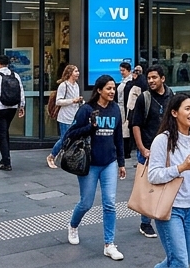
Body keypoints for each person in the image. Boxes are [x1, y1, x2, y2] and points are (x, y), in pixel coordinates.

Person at [48, 74, 127, 261]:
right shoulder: (86, 109)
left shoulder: (115, 109)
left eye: (113, 88)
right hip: (89, 163)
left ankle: (109, 244)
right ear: (99, 90)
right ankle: (73, 225)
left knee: (110, 203)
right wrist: (90, 128)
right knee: (86, 203)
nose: (112, 92)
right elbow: (71, 134)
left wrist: (121, 162)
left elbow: (118, 138)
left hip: (109, 162)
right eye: (108, 88)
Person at [147, 94, 190, 268]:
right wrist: (181, 168)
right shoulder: (162, 140)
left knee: (181, 260)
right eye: (187, 109)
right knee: (180, 262)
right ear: (174, 113)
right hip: (170, 208)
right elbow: (153, 175)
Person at [129, 65, 173, 238]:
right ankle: (145, 223)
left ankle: (166, 215)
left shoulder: (171, 96)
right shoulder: (144, 98)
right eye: (149, 78)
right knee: (148, 187)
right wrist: (142, 148)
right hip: (148, 148)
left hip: (168, 148)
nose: (151, 81)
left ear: (163, 78)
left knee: (168, 183)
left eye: (154, 77)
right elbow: (136, 125)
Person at [0, 54, 25, 171]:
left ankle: (6, 161)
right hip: (12, 108)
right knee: (5, 132)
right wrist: (21, 106)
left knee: (2, 135)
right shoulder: (15, 75)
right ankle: (5, 158)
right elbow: (21, 91)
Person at [54, 64, 84, 138]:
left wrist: (80, 101)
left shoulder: (76, 85)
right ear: (70, 73)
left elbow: (76, 100)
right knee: (64, 139)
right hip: (65, 118)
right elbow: (58, 101)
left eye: (78, 71)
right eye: (76, 71)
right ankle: (56, 147)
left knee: (72, 139)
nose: (78, 73)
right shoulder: (63, 85)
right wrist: (73, 100)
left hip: (74, 117)